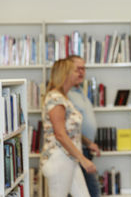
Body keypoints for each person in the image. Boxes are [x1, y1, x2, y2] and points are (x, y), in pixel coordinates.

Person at [41, 58, 96, 197]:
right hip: (59, 159)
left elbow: (72, 132)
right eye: (75, 70)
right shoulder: (55, 98)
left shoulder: (64, 97)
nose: (79, 73)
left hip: (70, 159)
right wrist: (83, 159)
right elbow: (60, 134)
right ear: (65, 74)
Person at [67, 55, 101, 197]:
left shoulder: (80, 91)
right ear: (68, 70)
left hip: (85, 149)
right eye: (77, 69)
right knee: (93, 192)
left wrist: (89, 143)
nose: (81, 72)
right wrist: (87, 143)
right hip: (76, 151)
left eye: (83, 68)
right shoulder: (66, 94)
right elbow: (67, 129)